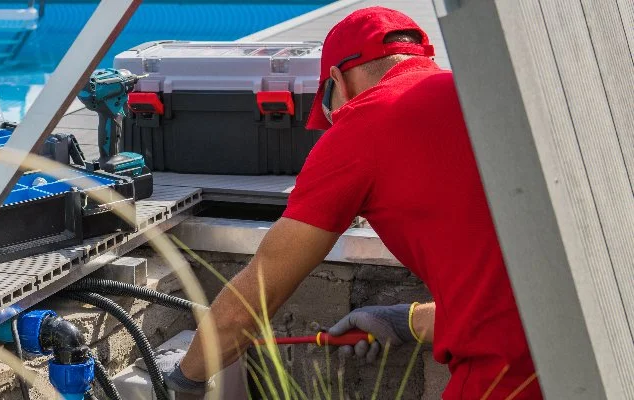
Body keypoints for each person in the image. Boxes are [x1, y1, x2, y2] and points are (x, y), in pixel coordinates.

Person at [160, 7, 543, 399]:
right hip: (582, 346)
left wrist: (184, 378)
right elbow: (509, 291)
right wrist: (407, 321)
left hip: (508, 376)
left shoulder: (362, 124)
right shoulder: (482, 95)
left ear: (336, 81)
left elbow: (258, 296)